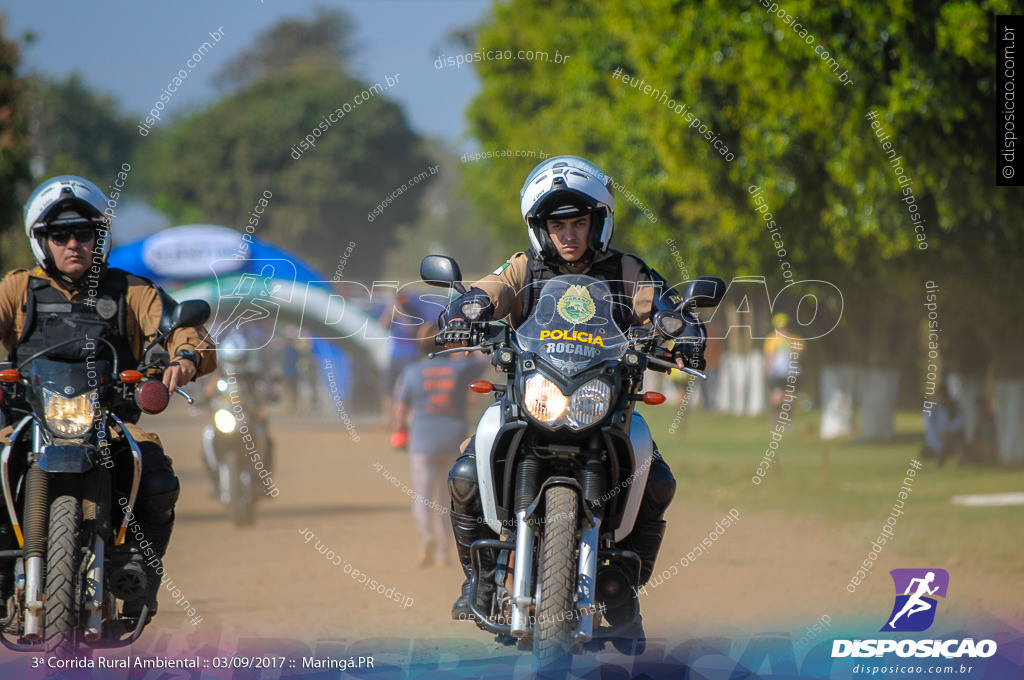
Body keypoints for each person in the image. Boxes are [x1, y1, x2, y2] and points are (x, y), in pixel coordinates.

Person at [438, 155, 707, 645]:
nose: (568, 234)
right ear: (540, 227)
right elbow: (489, 289)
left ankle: (623, 589)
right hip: (532, 394)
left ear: (598, 222)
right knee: (463, 473)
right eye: (557, 223)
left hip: (604, 400)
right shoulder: (524, 266)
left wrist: (682, 330)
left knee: (659, 481)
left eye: (578, 222)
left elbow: (662, 304)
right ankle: (478, 576)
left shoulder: (625, 269)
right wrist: (466, 309)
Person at [0, 176, 216, 620]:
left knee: (157, 480)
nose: (73, 244)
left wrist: (186, 357)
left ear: (101, 238)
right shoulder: (17, 289)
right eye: (60, 234)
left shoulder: (131, 290)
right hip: (26, 421)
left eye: (84, 233)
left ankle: (139, 582)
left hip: (110, 424)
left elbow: (183, 328)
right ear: (42, 241)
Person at [392, 324, 484, 567]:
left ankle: (427, 537)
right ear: (445, 344)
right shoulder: (460, 369)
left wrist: (400, 429)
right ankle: (444, 551)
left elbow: (400, 408)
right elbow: (483, 359)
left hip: (422, 440)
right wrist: (465, 340)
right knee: (446, 499)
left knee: (422, 496)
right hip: (453, 438)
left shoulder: (412, 371)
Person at [921, 383, 965, 466]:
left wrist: (949, 431)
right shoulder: (932, 410)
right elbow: (931, 431)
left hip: (949, 441)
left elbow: (959, 424)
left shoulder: (955, 409)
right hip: (936, 444)